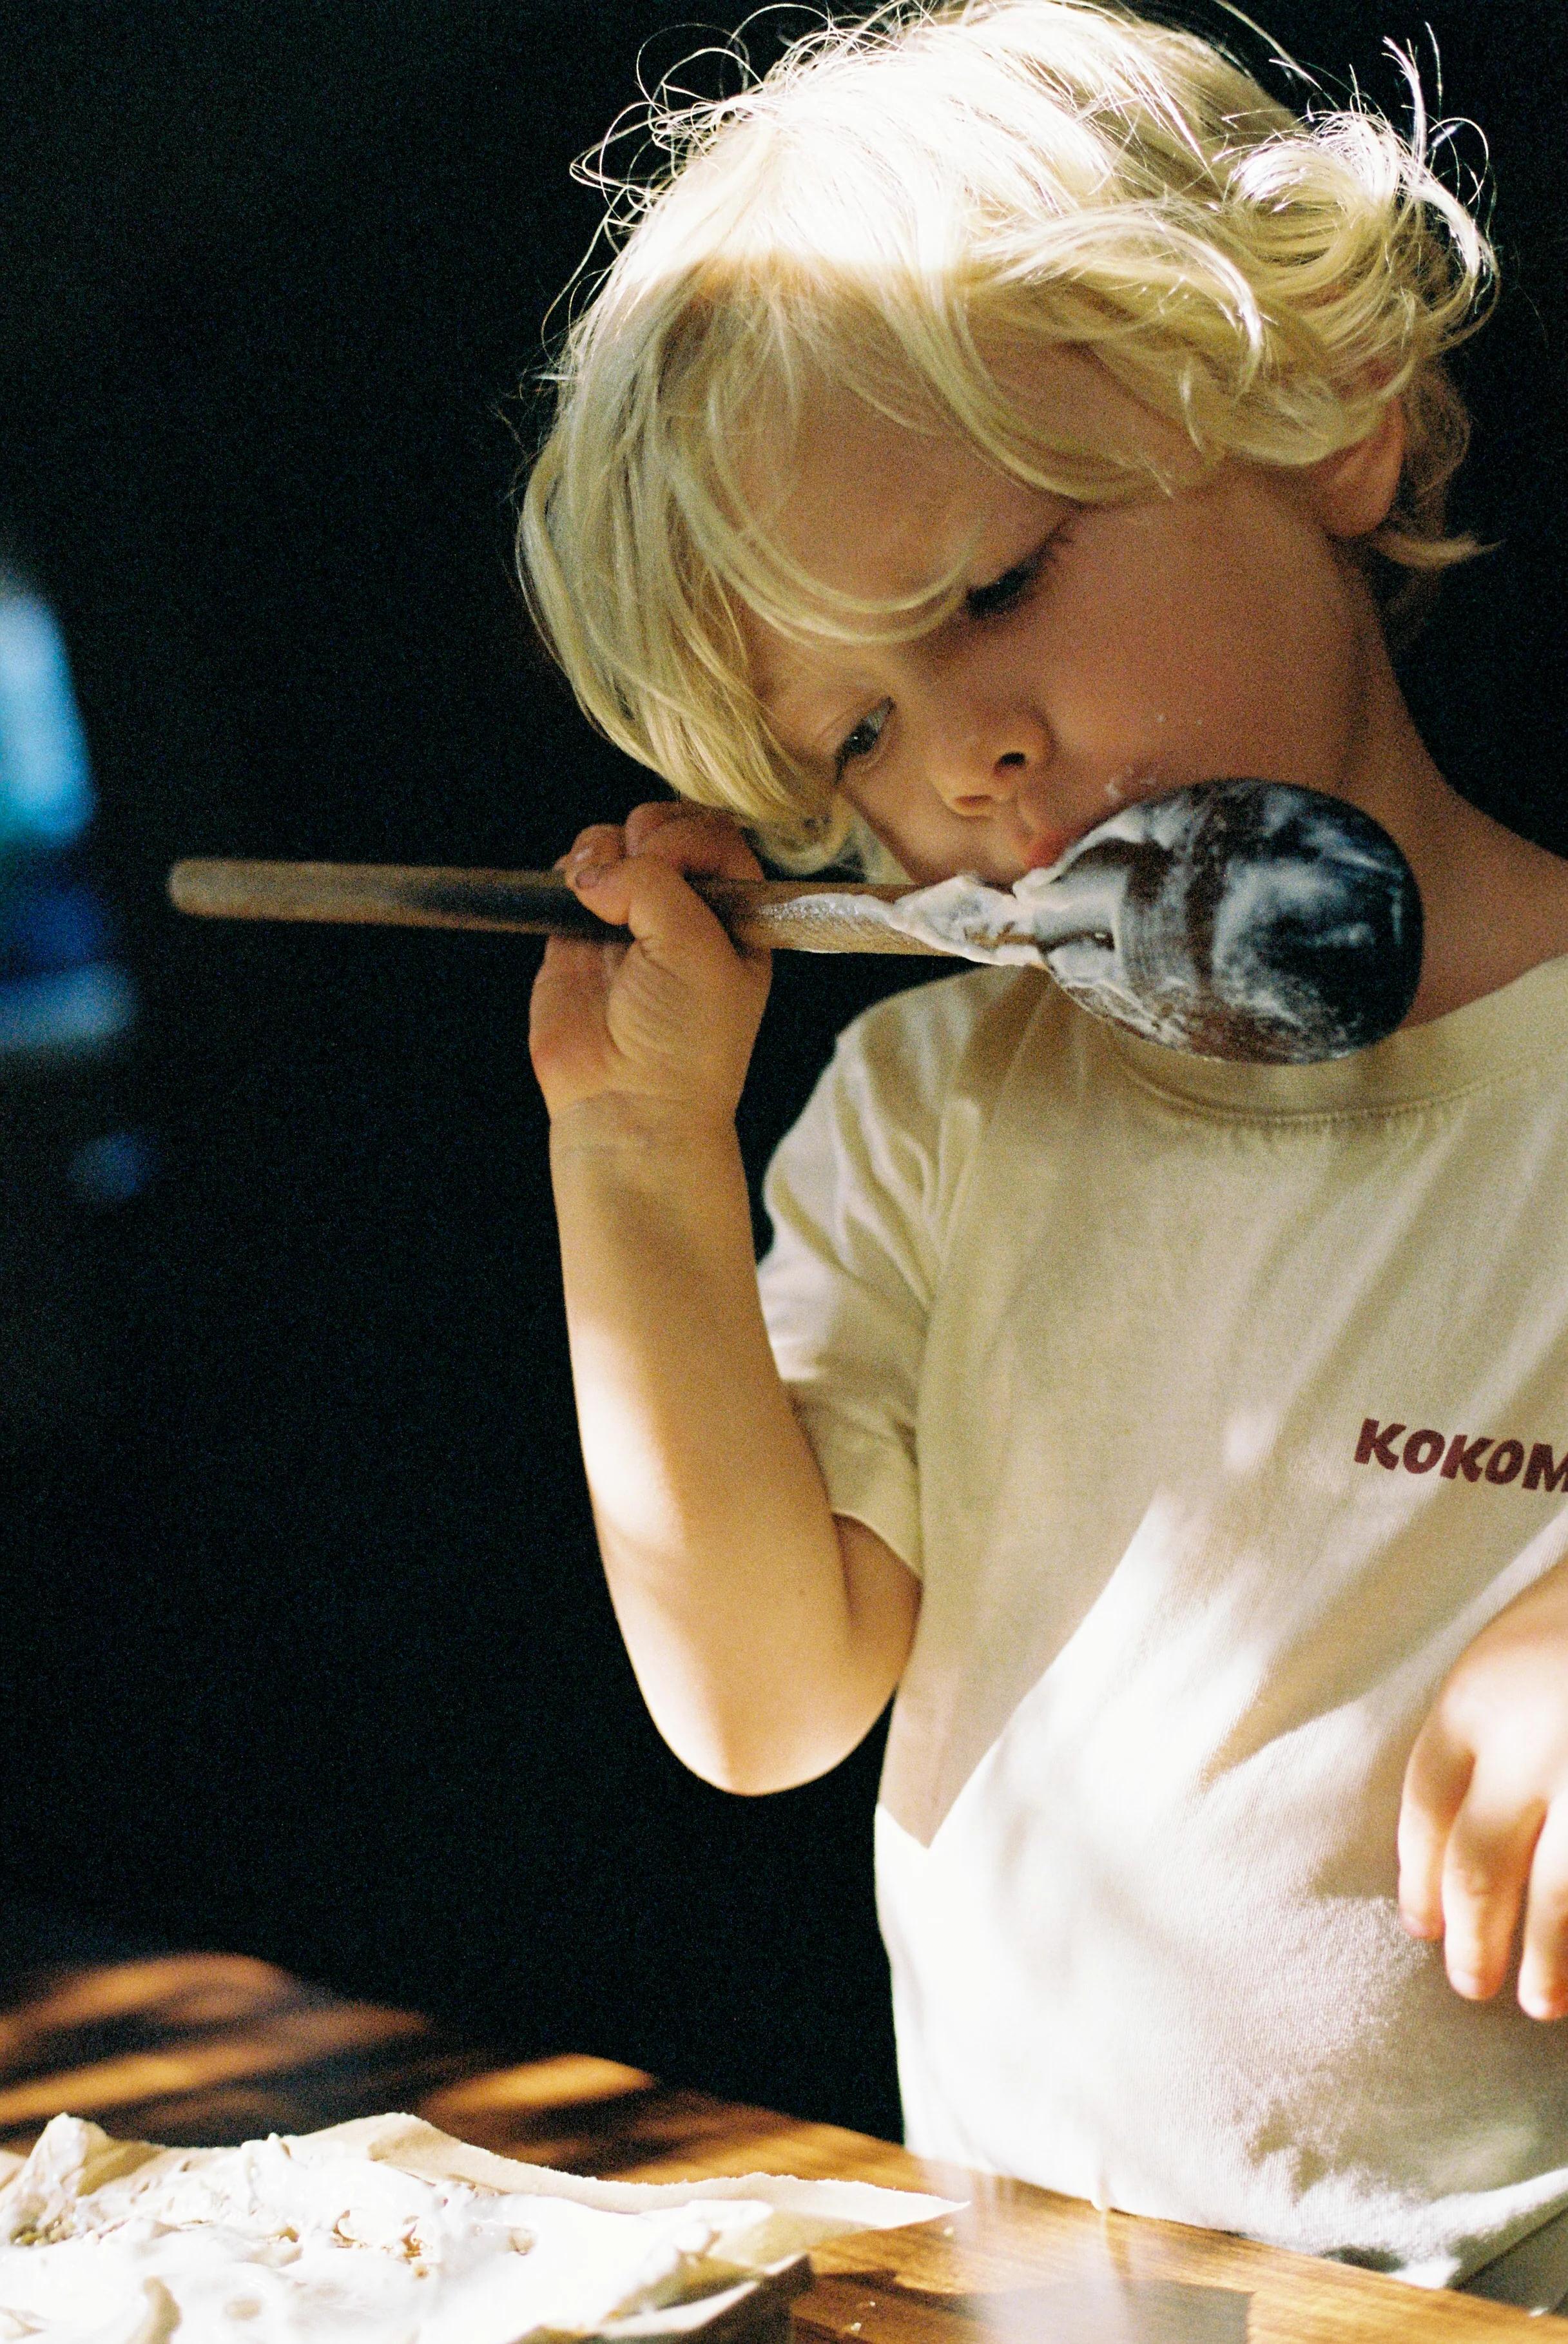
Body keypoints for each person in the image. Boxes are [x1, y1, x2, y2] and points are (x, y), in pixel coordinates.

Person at [518, 0, 1568, 2308]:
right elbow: (766, 1703)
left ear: (1334, 427)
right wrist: (638, 1166)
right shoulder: (932, 1115)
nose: (965, 758)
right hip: (1023, 2284)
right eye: (856, 731)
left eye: (991, 592)